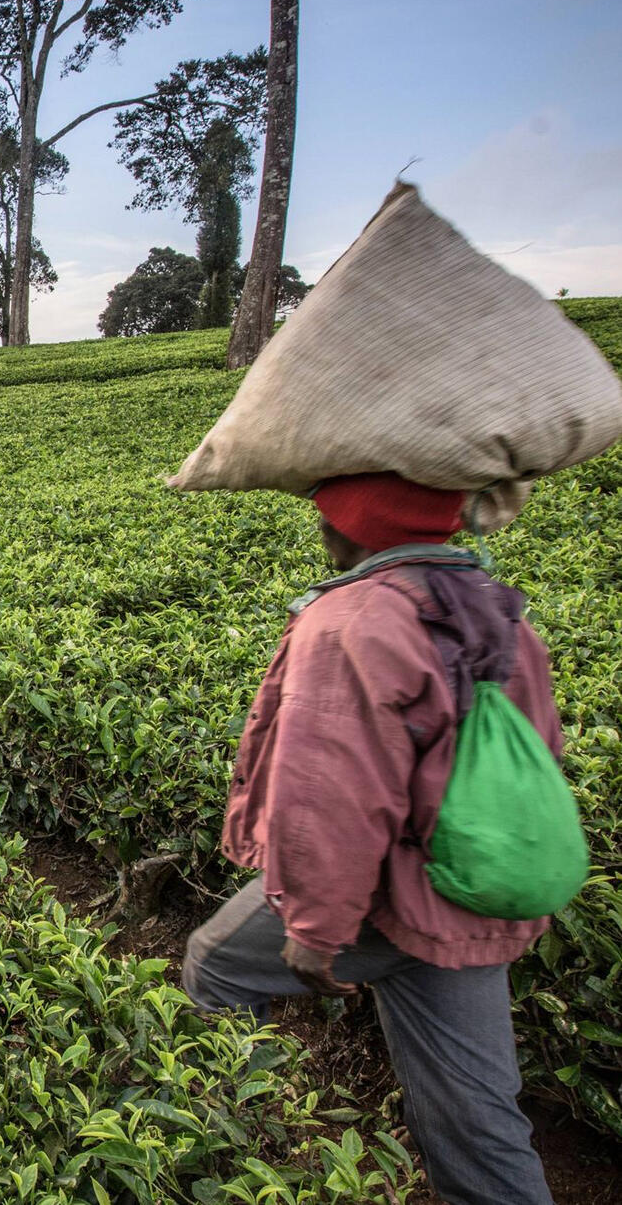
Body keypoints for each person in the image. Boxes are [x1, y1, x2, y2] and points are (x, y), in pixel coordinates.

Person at [184, 471, 558, 1205]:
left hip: (383, 897)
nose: (320, 528)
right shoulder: (499, 609)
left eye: (327, 512)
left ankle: (244, 1152)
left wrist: (318, 927)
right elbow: (542, 751)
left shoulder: (351, 621)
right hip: (475, 892)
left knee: (216, 968)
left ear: (354, 524)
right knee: (477, 1121)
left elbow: (331, 797)